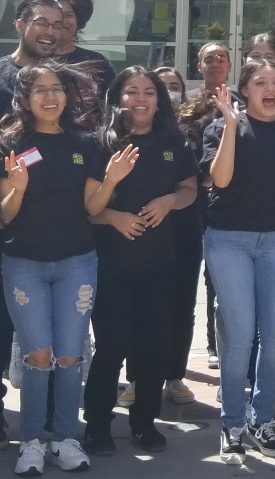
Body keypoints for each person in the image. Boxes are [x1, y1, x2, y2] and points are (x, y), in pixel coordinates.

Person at [0, 62, 107, 477]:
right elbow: (2, 216)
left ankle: (65, 437)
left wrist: (112, 181)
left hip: (77, 261)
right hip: (24, 264)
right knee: (38, 356)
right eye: (39, 90)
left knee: (71, 354)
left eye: (56, 89)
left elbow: (93, 208)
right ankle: (32, 441)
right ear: (24, 98)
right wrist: (17, 189)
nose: (50, 97)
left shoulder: (87, 144)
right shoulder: (10, 145)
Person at [0, 0, 65, 449]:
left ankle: (49, 416)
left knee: (56, 322)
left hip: (58, 225)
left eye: (58, 24)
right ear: (20, 24)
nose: (50, 30)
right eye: (41, 21)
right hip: (0, 220)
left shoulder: (67, 79)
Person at [83, 67, 198, 456]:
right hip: (111, 263)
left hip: (159, 261)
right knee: (112, 346)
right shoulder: (100, 143)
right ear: (117, 98)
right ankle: (97, 426)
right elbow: (87, 209)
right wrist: (114, 215)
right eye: (131, 92)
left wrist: (169, 201)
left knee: (153, 348)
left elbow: (189, 189)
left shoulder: (173, 141)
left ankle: (144, 424)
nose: (141, 99)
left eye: (149, 92)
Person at [200, 59, 275, 464]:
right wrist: (229, 126)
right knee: (240, 333)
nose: (270, 88)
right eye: (260, 82)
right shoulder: (222, 126)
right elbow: (220, 179)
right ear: (244, 90)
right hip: (229, 241)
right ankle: (231, 423)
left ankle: (263, 420)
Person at [177, 41, 231, 379]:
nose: (215, 63)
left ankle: (216, 346)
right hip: (187, 204)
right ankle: (175, 364)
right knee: (184, 283)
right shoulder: (188, 108)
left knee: (219, 283)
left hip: (223, 205)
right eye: (208, 58)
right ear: (199, 66)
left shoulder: (240, 102)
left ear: (230, 64)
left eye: (221, 58)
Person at [44, 0, 117, 98]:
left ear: (79, 20)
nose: (62, 21)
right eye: (57, 15)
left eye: (68, 15)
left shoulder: (98, 63)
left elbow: (112, 104)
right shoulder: (33, 59)